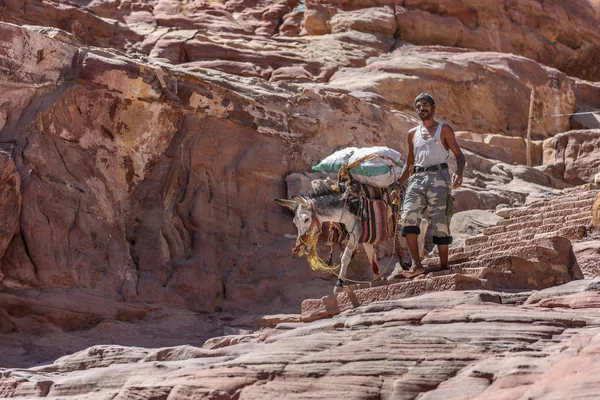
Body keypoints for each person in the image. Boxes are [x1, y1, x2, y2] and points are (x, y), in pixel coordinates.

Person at [396, 93, 466, 277]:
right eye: (418, 106)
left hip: (439, 177)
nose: (422, 109)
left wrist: (458, 172)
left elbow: (459, 155)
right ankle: (416, 265)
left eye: (425, 105)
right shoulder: (412, 133)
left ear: (433, 108)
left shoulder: (444, 129)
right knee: (408, 217)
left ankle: (444, 267)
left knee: (440, 221)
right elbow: (409, 162)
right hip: (417, 179)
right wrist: (397, 184)